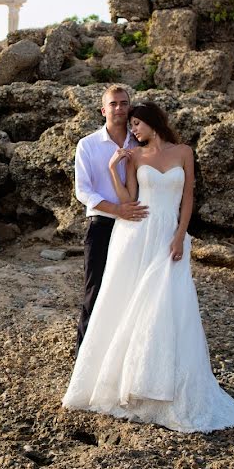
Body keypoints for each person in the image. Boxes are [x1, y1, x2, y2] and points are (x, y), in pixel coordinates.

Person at [63, 101, 234, 433]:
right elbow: (128, 200)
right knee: (129, 302)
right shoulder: (133, 156)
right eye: (131, 124)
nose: (132, 130)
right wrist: (112, 169)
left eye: (137, 123)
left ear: (153, 123)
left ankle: (164, 384)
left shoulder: (184, 152)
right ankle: (126, 381)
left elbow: (188, 198)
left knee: (168, 304)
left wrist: (180, 236)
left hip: (169, 234)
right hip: (136, 235)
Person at [73, 85, 148, 351]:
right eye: (113, 104)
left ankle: (121, 358)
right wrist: (117, 210)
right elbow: (83, 190)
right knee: (94, 291)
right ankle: (83, 358)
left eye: (124, 103)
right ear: (103, 110)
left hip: (135, 227)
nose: (119, 108)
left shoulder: (140, 142)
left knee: (131, 292)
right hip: (102, 226)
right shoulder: (88, 145)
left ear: (130, 108)